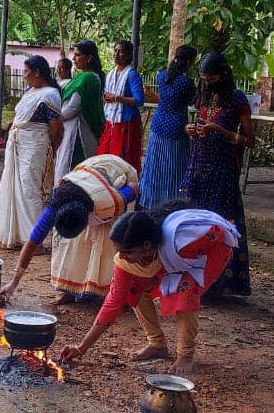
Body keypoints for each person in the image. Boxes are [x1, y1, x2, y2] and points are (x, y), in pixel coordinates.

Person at [57, 202, 241, 375]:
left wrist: (185, 273)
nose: (122, 257)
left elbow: (217, 233)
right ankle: (157, 344)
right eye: (119, 251)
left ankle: (186, 354)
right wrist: (81, 348)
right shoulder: (128, 260)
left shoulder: (180, 242)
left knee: (184, 292)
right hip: (171, 258)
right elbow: (112, 303)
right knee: (135, 289)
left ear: (146, 246)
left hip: (210, 251)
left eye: (127, 252)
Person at [0, 153, 136, 303]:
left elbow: (134, 187)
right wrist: (13, 283)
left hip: (118, 172)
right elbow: (32, 242)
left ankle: (111, 293)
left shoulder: (108, 203)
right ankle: (71, 290)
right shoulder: (55, 206)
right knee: (69, 244)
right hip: (88, 171)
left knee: (106, 240)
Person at [182, 51, 256, 298]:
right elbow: (197, 122)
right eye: (203, 78)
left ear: (223, 75)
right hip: (200, 163)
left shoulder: (237, 100)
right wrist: (191, 129)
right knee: (197, 221)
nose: (206, 82)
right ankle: (195, 276)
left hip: (224, 167)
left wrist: (220, 131)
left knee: (220, 222)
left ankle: (219, 282)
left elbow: (249, 140)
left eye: (210, 78)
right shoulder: (204, 95)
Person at [0, 56, 65, 248]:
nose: (24, 75)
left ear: (36, 72)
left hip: (35, 145)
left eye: (25, 71)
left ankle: (33, 241)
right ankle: (14, 235)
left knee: (30, 190)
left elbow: (57, 129)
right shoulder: (30, 91)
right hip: (19, 142)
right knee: (14, 187)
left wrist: (52, 150)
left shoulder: (50, 94)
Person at [140, 45, 198, 209]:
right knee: (175, 168)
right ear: (189, 62)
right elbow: (193, 101)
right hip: (177, 127)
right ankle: (174, 203)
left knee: (155, 166)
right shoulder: (187, 83)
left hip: (158, 125)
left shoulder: (162, 76)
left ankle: (151, 201)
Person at [54, 41, 104, 186]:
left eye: (78, 55)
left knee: (72, 168)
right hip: (74, 127)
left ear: (89, 58)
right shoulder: (86, 77)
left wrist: (55, 119)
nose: (74, 59)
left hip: (78, 130)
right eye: (73, 55)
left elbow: (73, 108)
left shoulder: (87, 78)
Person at [98, 40, 146, 172]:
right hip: (111, 121)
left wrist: (117, 98)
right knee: (106, 158)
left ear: (129, 55)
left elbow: (139, 100)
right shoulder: (111, 74)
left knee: (123, 159)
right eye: (115, 51)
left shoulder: (132, 74)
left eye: (121, 51)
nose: (117, 54)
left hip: (127, 122)